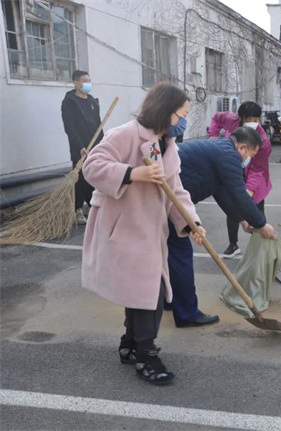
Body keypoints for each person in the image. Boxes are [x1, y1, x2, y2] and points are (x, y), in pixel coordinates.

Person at [82, 82, 204, 385]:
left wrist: (192, 223)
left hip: (150, 230)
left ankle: (130, 343)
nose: (183, 121)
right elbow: (92, 167)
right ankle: (146, 355)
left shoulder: (168, 144)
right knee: (151, 292)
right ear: (165, 110)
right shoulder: (125, 134)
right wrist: (132, 173)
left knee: (140, 289)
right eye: (181, 114)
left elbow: (176, 190)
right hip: (125, 226)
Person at [166, 127, 277, 327]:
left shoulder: (219, 150)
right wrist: (261, 223)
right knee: (180, 256)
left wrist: (242, 219)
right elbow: (239, 194)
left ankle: (169, 300)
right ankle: (187, 314)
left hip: (166, 202)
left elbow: (221, 192)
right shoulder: (229, 155)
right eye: (250, 155)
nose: (248, 160)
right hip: (169, 203)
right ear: (242, 147)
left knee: (168, 255)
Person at [208, 102, 273, 258]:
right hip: (233, 172)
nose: (252, 122)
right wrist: (213, 137)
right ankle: (233, 244)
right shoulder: (231, 120)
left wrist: (249, 190)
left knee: (257, 212)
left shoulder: (263, 141)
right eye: (248, 119)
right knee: (232, 209)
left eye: (256, 119)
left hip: (256, 180)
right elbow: (216, 118)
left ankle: (262, 248)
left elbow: (258, 169)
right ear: (241, 117)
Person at [61, 70, 104, 225]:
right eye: (85, 81)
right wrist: (79, 146)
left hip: (95, 145)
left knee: (94, 175)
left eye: (89, 80)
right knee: (79, 178)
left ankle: (93, 205)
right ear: (76, 83)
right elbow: (69, 127)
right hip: (79, 146)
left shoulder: (92, 101)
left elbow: (99, 125)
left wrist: (103, 143)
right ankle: (77, 209)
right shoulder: (69, 102)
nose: (88, 84)